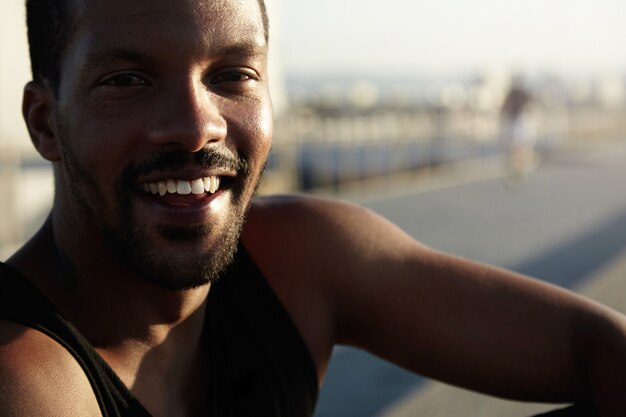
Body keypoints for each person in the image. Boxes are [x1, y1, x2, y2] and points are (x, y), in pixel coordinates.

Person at [1, 0, 625, 416]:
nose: (196, 127)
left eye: (233, 74)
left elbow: (595, 348)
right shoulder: (23, 375)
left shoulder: (299, 258)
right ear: (45, 122)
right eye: (127, 81)